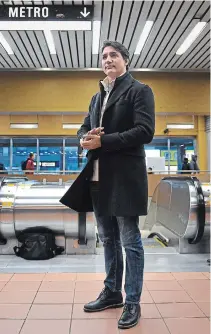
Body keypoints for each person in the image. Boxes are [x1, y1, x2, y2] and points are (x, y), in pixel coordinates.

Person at [60, 40, 155, 329]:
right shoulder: (97, 96)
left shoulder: (139, 91)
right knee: (108, 239)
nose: (108, 60)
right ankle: (112, 292)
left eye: (114, 55)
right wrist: (83, 137)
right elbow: (83, 126)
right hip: (98, 177)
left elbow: (145, 130)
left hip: (125, 178)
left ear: (125, 60)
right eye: (104, 56)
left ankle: (133, 302)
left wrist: (105, 141)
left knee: (130, 241)